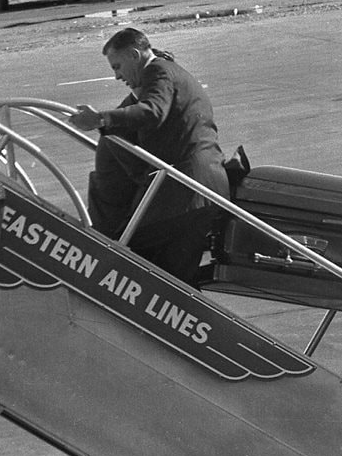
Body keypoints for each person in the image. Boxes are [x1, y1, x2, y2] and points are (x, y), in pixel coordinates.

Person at [68, 28, 229, 284]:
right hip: (192, 192)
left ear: (134, 55)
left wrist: (101, 118)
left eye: (118, 66)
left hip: (186, 192)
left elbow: (153, 111)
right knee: (171, 278)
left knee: (137, 255)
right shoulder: (162, 75)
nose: (117, 75)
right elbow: (132, 115)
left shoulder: (159, 71)